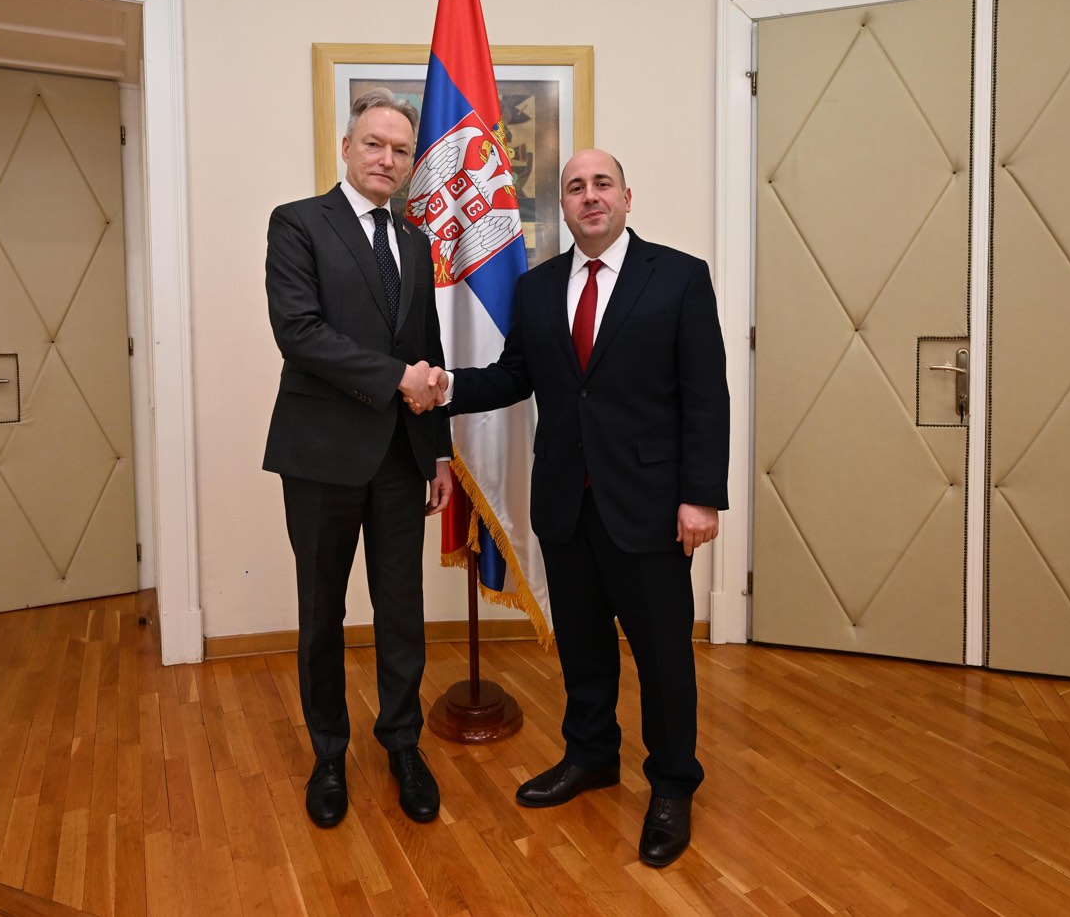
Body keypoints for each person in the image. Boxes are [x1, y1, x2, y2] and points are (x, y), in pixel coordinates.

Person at [434, 148, 729, 867]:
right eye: (575, 187)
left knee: (663, 656)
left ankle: (672, 784)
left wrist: (700, 496)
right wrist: (444, 387)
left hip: (651, 506)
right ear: (562, 206)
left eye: (602, 184)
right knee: (584, 647)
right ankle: (591, 755)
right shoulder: (536, 289)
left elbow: (706, 394)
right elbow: (514, 375)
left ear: (627, 196)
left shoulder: (680, 277)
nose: (589, 196)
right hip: (566, 502)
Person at [263, 88, 453, 829]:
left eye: (400, 149)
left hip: (403, 457)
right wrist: (397, 378)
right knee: (323, 610)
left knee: (402, 609)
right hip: (321, 456)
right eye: (374, 143)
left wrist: (439, 453)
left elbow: (427, 347)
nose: (387, 158)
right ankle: (329, 754)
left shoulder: (416, 242)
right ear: (347, 148)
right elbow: (299, 331)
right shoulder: (298, 223)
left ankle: (402, 743)